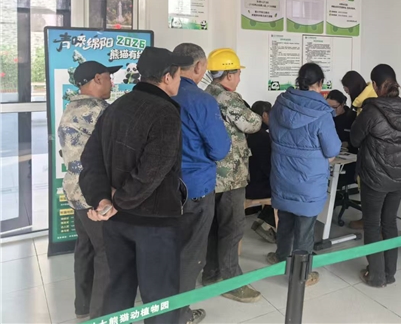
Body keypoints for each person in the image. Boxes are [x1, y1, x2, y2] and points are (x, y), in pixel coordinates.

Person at [79, 47, 192, 323]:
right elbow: (151, 173)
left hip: (116, 223)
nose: (179, 81)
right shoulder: (165, 112)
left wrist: (102, 200)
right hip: (154, 223)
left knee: (118, 290)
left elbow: (90, 160)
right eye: (179, 76)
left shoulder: (115, 107)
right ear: (167, 77)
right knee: (160, 297)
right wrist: (116, 201)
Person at [266, 63, 341, 286]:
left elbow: (273, 135)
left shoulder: (280, 103)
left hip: (282, 173)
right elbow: (332, 149)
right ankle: (301, 275)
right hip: (308, 180)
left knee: (285, 220)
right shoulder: (321, 112)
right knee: (305, 228)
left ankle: (281, 258)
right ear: (320, 83)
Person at [172, 43, 231, 324]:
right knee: (190, 253)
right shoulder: (201, 100)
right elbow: (219, 149)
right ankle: (179, 315)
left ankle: (158, 305)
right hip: (195, 187)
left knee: (166, 248)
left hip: (160, 187)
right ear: (198, 67)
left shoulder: (161, 93)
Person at [58, 61, 120, 319]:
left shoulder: (71, 107)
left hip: (75, 191)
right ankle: (102, 315)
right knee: (108, 252)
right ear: (97, 78)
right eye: (108, 77)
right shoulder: (101, 111)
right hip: (96, 193)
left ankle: (82, 307)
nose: (112, 82)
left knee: (85, 248)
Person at [202, 48, 263, 303]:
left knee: (214, 226)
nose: (238, 78)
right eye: (237, 73)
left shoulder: (205, 94)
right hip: (230, 175)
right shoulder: (227, 98)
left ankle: (211, 273)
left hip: (210, 174)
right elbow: (253, 123)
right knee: (233, 227)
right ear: (229, 74)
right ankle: (231, 280)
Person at [350, 64, 401, 288]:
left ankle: (377, 275)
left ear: (375, 85)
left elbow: (355, 140)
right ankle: (390, 272)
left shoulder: (371, 111)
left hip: (375, 176)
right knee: (389, 222)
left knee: (372, 224)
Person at [341, 72, 377, 229]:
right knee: (365, 187)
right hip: (364, 150)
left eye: (346, 88)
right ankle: (367, 219)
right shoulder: (361, 99)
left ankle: (371, 224)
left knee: (371, 190)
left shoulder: (368, 101)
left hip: (371, 152)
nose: (345, 91)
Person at [246, 101, 276, 244]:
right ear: (264, 115)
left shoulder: (248, 132)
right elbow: (268, 168)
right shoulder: (262, 137)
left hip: (247, 183)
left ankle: (262, 220)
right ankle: (267, 224)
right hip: (256, 187)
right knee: (286, 189)